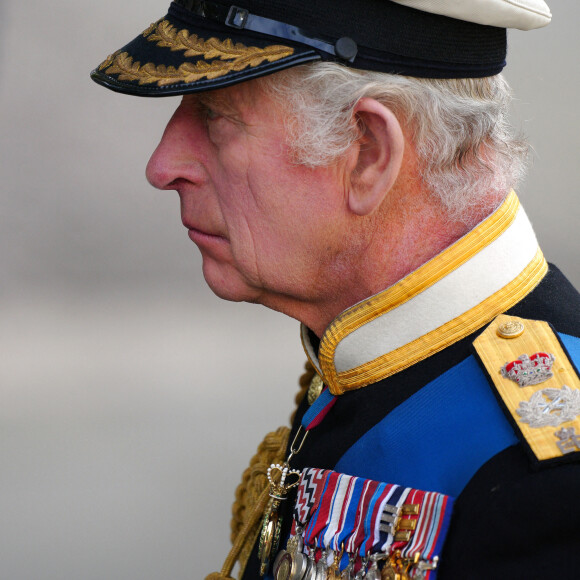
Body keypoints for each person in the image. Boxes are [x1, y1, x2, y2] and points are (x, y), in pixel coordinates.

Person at [91, 0, 580, 578]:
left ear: (369, 152)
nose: (163, 166)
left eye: (216, 116)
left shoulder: (550, 483)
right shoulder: (365, 353)